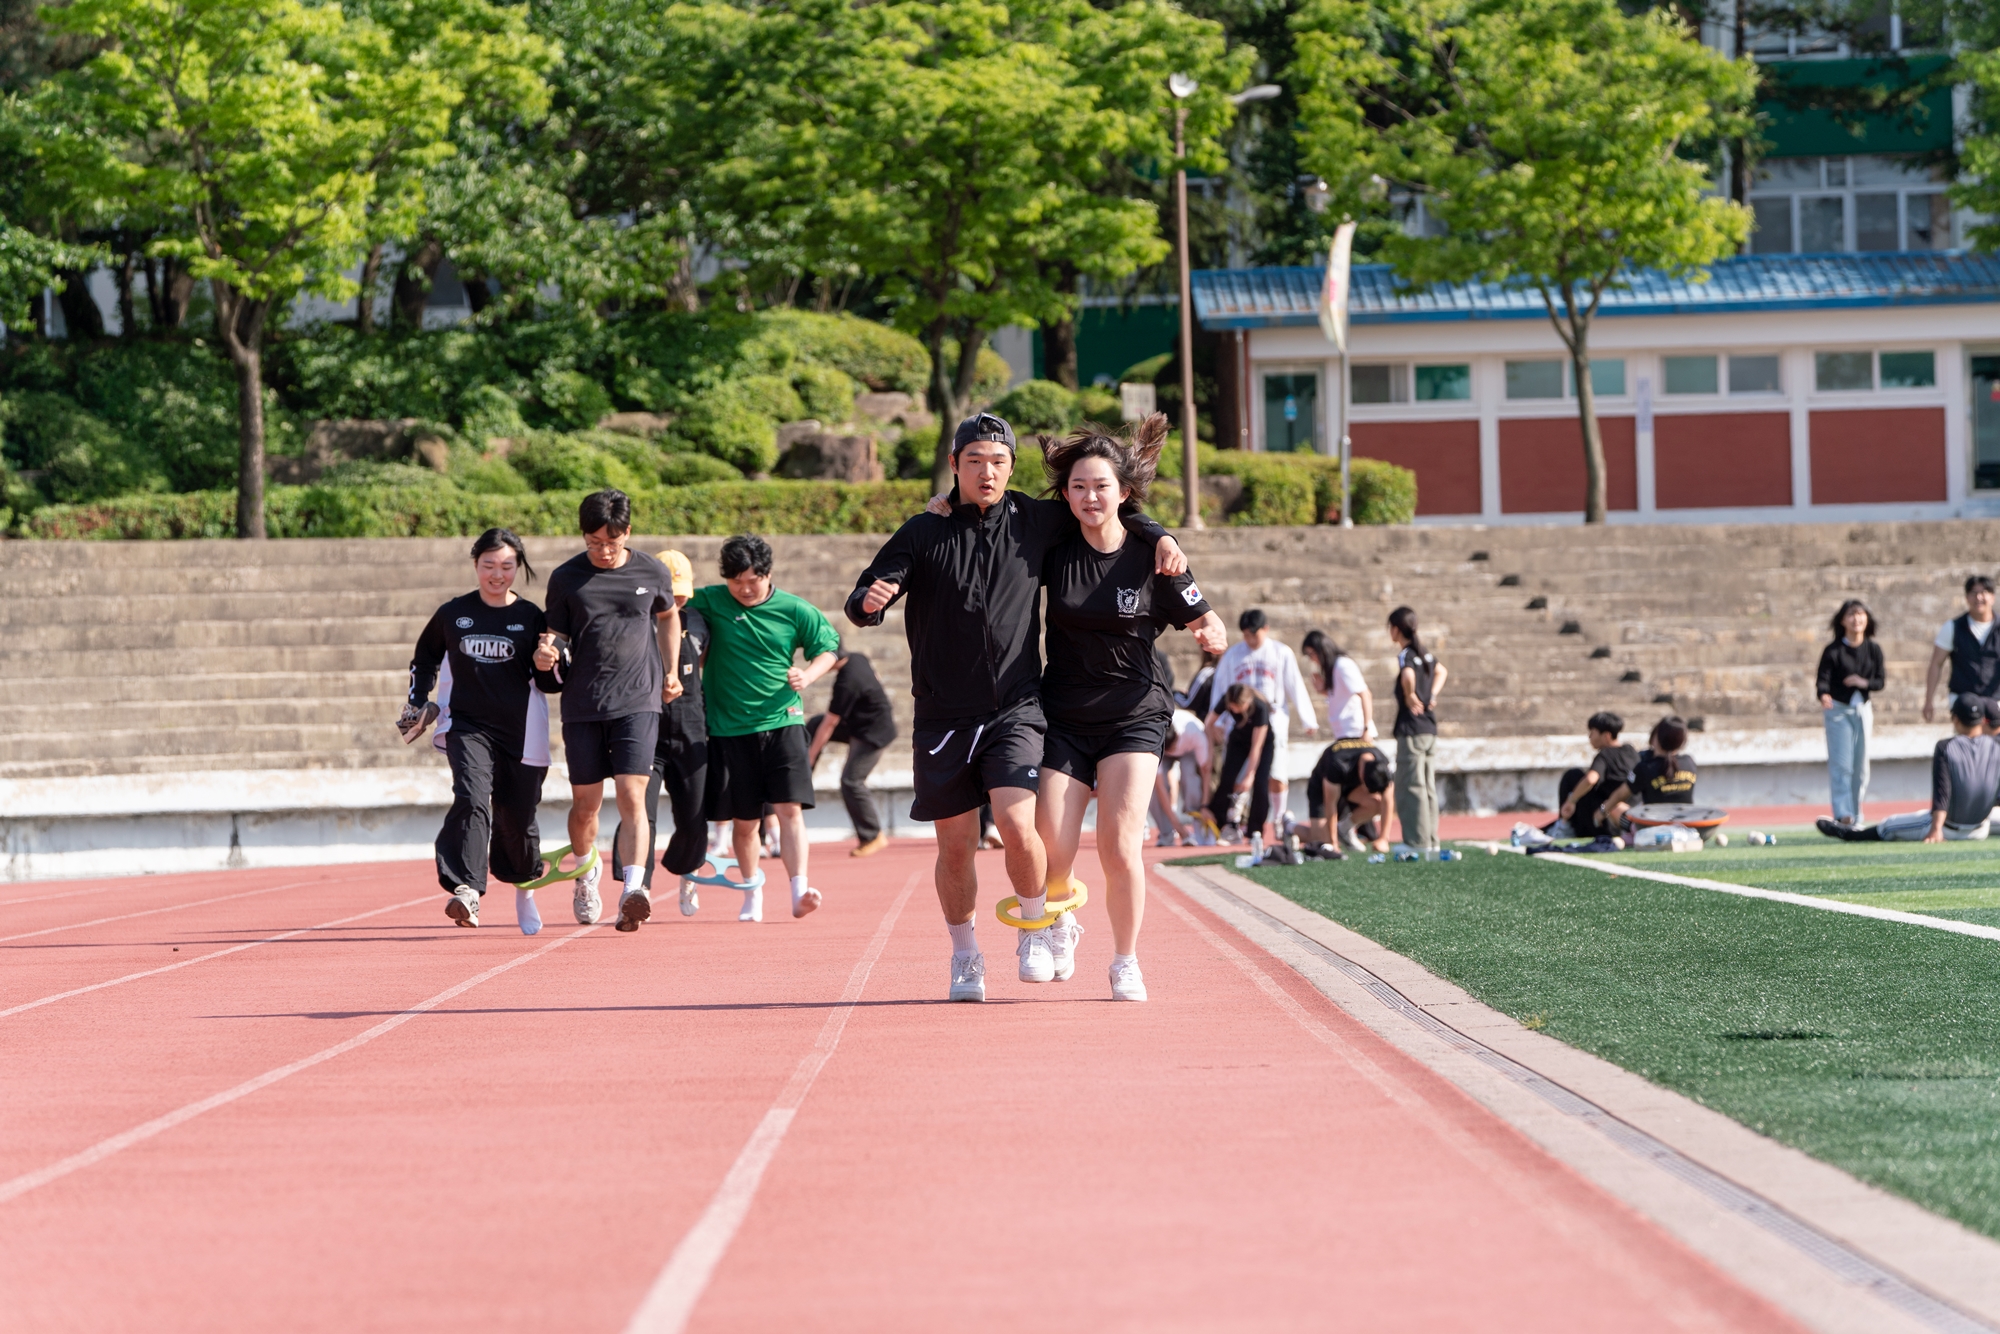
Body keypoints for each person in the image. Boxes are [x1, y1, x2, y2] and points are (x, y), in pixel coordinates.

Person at [845, 410, 1185, 1002]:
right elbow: (867, 593)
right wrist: (867, 601)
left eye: (998, 462)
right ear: (954, 465)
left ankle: (1037, 925)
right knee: (954, 846)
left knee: (1014, 819)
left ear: (1011, 469)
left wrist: (1162, 536)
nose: (987, 472)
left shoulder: (1035, 517)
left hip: (1019, 705)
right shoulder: (924, 531)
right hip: (943, 713)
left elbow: (1110, 506)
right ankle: (965, 954)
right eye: (974, 461)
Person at [1031, 416, 1228, 1001]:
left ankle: (1124, 960)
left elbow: (1204, 616)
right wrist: (945, 504)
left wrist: (1211, 631)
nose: (1090, 497)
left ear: (1123, 490)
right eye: (1078, 487)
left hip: (1133, 714)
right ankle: (1062, 917)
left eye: (1101, 486)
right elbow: (990, 523)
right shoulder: (1054, 547)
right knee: (1052, 846)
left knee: (1120, 845)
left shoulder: (1155, 557)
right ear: (1065, 494)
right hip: (1063, 714)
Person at [533, 490, 681, 932]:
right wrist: (547, 654)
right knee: (586, 806)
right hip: (583, 703)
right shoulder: (566, 578)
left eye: (611, 542)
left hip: (639, 700)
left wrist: (672, 670)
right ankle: (587, 873)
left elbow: (669, 615)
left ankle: (635, 889)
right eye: (593, 542)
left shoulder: (651, 570)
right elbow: (555, 634)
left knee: (633, 795)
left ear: (627, 533)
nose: (602, 550)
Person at [402, 528, 563, 932]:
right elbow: (424, 658)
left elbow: (550, 683)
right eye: (489, 565)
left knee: (518, 816)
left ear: (518, 568)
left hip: (522, 731)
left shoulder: (531, 617)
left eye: (507, 566)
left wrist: (548, 664)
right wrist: (418, 698)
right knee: (472, 796)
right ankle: (467, 891)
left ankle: (525, 887)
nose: (497, 574)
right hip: (467, 725)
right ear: (475, 565)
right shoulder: (453, 614)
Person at [688, 534, 842, 921]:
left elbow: (828, 648)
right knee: (745, 822)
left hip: (783, 722)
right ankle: (751, 892)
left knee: (789, 809)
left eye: (752, 580)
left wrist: (807, 676)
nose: (743, 588)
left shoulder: (795, 609)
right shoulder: (710, 599)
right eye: (735, 581)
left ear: (768, 573)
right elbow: (670, 600)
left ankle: (798, 890)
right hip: (728, 730)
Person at [608, 549, 712, 917]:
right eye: (672, 589)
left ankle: (688, 870)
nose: (679, 597)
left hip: (691, 720)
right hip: (645, 722)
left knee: (694, 812)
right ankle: (638, 888)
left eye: (683, 590)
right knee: (639, 810)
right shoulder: (634, 620)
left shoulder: (699, 620)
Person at [1821, 695, 1998, 842]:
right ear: (1982, 721)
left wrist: (1936, 829)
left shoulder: (1946, 747)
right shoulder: (1996, 746)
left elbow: (1942, 793)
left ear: (1955, 719)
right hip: (1981, 829)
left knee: (1889, 825)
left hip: (1948, 829)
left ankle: (1850, 834)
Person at [1207, 609, 1317, 837]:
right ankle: (1233, 821)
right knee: (1235, 775)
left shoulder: (1280, 652)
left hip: (1272, 718)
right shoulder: (1234, 655)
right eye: (1246, 635)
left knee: (1275, 772)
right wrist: (1217, 721)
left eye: (1253, 635)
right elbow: (1221, 688)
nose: (1249, 640)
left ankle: (1278, 818)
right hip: (1239, 721)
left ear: (1265, 629)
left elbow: (1294, 685)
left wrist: (1308, 718)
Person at [806, 640, 897, 857]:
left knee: (851, 781)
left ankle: (872, 835)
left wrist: (810, 756)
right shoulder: (857, 657)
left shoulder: (846, 683)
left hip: (872, 734)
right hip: (861, 724)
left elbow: (830, 724)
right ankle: (804, 776)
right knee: (814, 724)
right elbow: (876, 677)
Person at [1818, 599, 1885, 828]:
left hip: (1862, 710)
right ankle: (1842, 813)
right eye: (1851, 615)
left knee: (1861, 766)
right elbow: (1823, 679)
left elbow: (1879, 681)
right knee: (1841, 764)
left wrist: (1861, 681)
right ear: (1842, 620)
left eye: (1860, 614)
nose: (1856, 619)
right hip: (1838, 710)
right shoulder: (1833, 650)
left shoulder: (1873, 649)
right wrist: (1824, 694)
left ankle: (1857, 814)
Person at [1387, 606, 1446, 850]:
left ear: (1396, 630)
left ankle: (1416, 841)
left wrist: (1410, 694)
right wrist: (1432, 694)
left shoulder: (1407, 655)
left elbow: (1408, 675)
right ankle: (1430, 839)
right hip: (1429, 729)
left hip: (1411, 729)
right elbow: (1442, 671)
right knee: (1428, 786)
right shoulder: (1427, 654)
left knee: (1411, 786)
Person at [1548, 712, 1638, 838]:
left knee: (1573, 776)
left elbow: (1591, 779)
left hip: (1606, 820)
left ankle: (1565, 826)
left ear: (1606, 736)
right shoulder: (1631, 750)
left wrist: (1571, 800)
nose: (1589, 736)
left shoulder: (1605, 754)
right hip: (1633, 813)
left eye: (1592, 732)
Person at [1599, 715, 1697, 831]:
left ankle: (1629, 835)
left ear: (1656, 738)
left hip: (1652, 829)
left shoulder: (1645, 768)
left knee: (1614, 807)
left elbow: (1620, 795)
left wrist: (1601, 811)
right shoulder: (1689, 762)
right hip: (1686, 826)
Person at [1206, 685, 1276, 844]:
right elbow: (1209, 721)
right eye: (1231, 707)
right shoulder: (1227, 699)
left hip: (1262, 744)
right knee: (1227, 780)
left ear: (1247, 702)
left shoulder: (1260, 707)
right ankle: (1220, 823)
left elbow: (1256, 747)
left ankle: (1255, 831)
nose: (1233, 709)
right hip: (1239, 739)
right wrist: (1212, 735)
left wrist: (1249, 776)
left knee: (1260, 784)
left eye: (1237, 707)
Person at [1924, 575, 1999, 723]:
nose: (1978, 597)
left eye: (1984, 592)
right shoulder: (1952, 627)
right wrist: (1928, 701)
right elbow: (1936, 663)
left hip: (1996, 702)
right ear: (1966, 597)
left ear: (1992, 597)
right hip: (1963, 702)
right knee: (1964, 745)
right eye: (1973, 593)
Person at [1307, 736, 1393, 855]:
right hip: (1322, 786)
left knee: (1376, 803)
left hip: (1349, 786)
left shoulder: (1382, 762)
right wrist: (1333, 843)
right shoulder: (1337, 763)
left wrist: (1383, 839)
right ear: (1362, 775)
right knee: (1320, 839)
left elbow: (1387, 800)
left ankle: (1343, 829)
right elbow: (1330, 804)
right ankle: (1290, 828)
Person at [1301, 629, 1374, 740]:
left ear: (1322, 650)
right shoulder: (1333, 669)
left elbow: (1365, 694)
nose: (1312, 659)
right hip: (1343, 732)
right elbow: (1340, 698)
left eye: (1312, 654)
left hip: (1355, 731)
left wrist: (1366, 729)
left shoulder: (1343, 665)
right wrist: (1322, 690)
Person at [1152, 707, 1210, 846]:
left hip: (1189, 751)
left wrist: (1205, 805)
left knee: (1191, 777)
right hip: (1163, 755)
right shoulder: (1155, 741)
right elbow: (1160, 788)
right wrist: (1179, 828)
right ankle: (1166, 834)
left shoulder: (1194, 732)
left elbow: (1205, 772)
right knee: (1152, 790)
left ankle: (1197, 824)